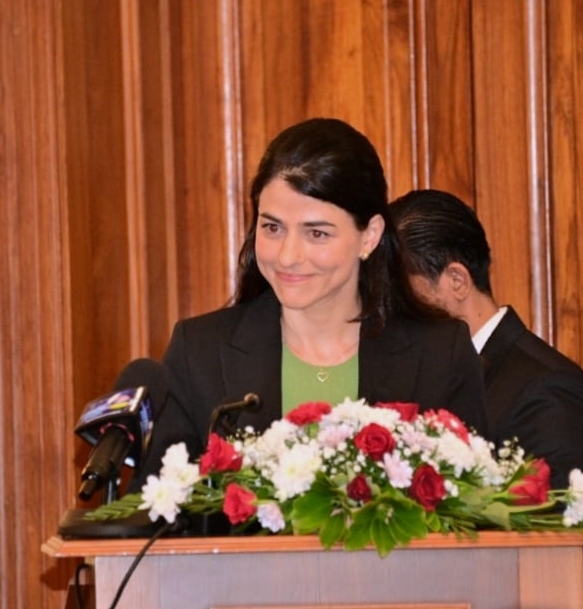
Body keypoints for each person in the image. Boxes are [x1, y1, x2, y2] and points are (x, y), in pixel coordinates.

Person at [128, 119, 486, 491]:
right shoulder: (198, 353)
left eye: (316, 233)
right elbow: (155, 508)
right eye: (272, 228)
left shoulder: (440, 355)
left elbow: (473, 505)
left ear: (370, 235)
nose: (288, 256)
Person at [389, 189, 583, 609]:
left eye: (402, 300)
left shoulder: (552, 394)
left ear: (456, 281)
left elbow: (551, 563)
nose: (390, 319)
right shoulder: (430, 381)